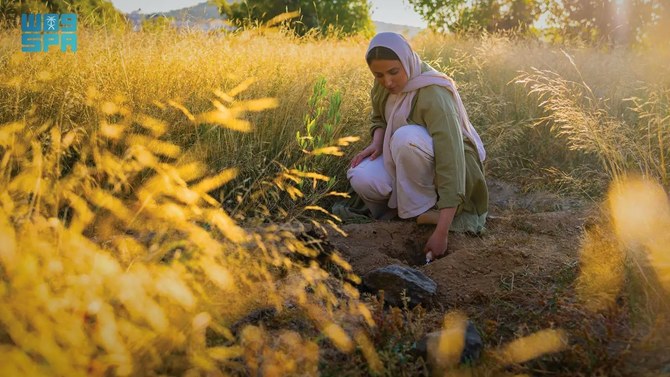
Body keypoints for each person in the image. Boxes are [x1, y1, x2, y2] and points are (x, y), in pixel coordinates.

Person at [347, 32, 488, 260]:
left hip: (446, 162)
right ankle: (403, 209)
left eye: (394, 72)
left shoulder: (433, 92)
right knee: (361, 176)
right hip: (401, 155)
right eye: (379, 75)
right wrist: (376, 143)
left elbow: (451, 159)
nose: (388, 82)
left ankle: (424, 211)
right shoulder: (383, 85)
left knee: (405, 137)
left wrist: (442, 232)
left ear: (407, 60)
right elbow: (380, 118)